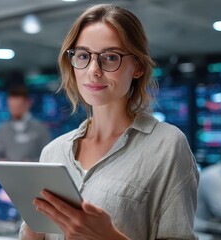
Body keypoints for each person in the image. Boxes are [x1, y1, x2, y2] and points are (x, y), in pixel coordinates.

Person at [20, 4, 199, 240]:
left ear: (137, 67)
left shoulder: (167, 146)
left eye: (110, 57)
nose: (94, 70)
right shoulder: (53, 152)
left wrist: (108, 236)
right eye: (83, 56)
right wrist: (33, 222)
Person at [0, 87, 51, 162]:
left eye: (18, 106)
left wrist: (31, 163)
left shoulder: (40, 129)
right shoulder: (2, 130)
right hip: (8, 172)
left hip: (32, 172)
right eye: (11, 107)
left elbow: (48, 157)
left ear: (27, 104)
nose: (14, 110)